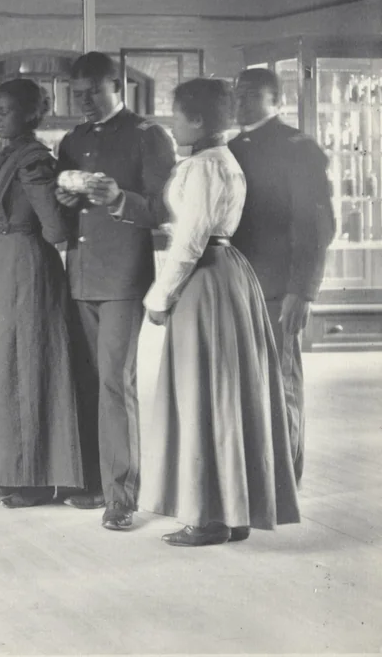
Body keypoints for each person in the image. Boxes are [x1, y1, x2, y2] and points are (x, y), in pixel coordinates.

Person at [141, 78, 300, 546]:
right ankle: (231, 510)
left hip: (205, 278)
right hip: (228, 274)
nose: (171, 125)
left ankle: (208, 515)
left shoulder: (204, 167)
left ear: (196, 120)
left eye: (175, 116)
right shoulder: (222, 161)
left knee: (202, 392)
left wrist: (159, 297)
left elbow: (189, 242)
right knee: (226, 392)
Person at [55, 51, 175, 531]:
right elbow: (69, 215)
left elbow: (165, 207)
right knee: (87, 380)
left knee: (114, 383)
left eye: (92, 93)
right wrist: (66, 199)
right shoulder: (72, 139)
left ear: (117, 85)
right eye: (76, 93)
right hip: (81, 273)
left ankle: (121, 496)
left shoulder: (147, 135)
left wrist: (120, 198)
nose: (83, 102)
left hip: (123, 277)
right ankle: (95, 482)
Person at [0, 79, 89, 507]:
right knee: (2, 369)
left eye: (8, 110)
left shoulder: (32, 160)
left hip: (24, 268)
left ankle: (33, 478)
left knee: (26, 365)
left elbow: (54, 228)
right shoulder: (14, 154)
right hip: (2, 267)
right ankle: (11, 470)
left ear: (30, 116)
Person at [228, 68, 333, 487]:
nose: (240, 103)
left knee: (281, 381)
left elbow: (316, 227)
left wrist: (302, 291)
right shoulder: (232, 147)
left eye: (251, 95)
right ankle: (256, 475)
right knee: (245, 382)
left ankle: (286, 479)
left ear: (276, 99)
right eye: (236, 95)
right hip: (237, 282)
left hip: (279, 288)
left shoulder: (299, 150)